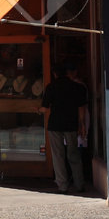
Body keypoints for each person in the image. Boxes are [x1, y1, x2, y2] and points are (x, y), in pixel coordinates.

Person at [40, 65, 89, 194]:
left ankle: (62, 186)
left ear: (55, 74)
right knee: (74, 154)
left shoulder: (51, 87)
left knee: (58, 155)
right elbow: (81, 108)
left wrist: (38, 110)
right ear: (67, 73)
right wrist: (82, 124)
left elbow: (45, 108)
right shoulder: (77, 87)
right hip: (71, 124)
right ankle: (79, 184)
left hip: (55, 124)